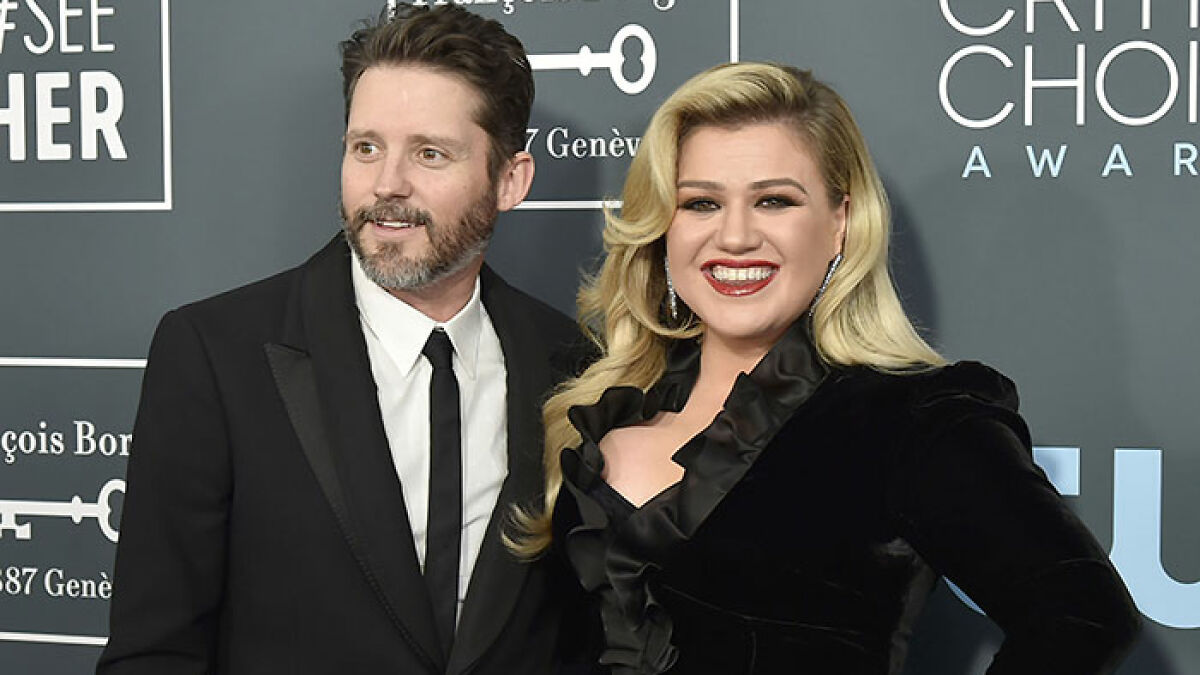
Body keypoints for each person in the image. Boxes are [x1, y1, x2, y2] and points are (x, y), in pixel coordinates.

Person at [511, 62, 1142, 674]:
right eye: (701, 204)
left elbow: (1082, 613)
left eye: (775, 201)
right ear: (663, 228)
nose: (734, 237)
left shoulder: (905, 422)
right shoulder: (595, 416)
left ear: (839, 223)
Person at [98, 5, 589, 674]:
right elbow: (153, 653)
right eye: (366, 147)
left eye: (429, 152)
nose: (386, 185)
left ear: (511, 180)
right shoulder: (215, 354)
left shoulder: (569, 362)